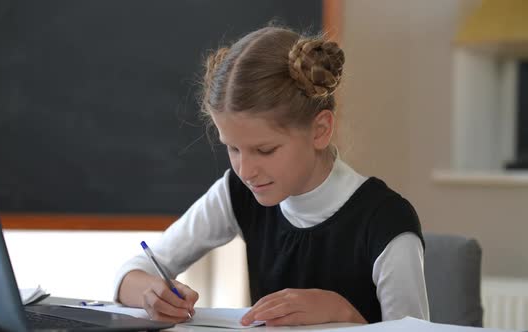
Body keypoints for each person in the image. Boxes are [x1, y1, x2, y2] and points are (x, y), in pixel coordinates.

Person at [113, 26, 429, 326]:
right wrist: (150, 293)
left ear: (320, 130)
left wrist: (343, 314)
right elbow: (132, 272)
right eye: (233, 149)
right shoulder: (236, 193)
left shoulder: (386, 222)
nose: (246, 171)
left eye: (264, 150)